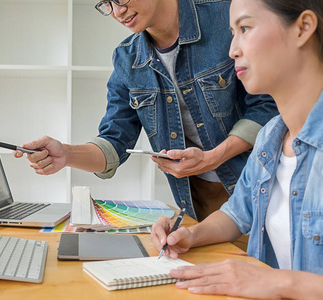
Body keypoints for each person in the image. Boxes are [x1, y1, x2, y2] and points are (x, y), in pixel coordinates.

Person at [16, 0, 278, 224]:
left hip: (266, 182)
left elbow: (268, 105)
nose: (117, 12)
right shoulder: (127, 58)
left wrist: (214, 157)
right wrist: (66, 154)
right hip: (201, 198)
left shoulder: (226, 17)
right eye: (106, 3)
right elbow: (114, 141)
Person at [150, 0, 323, 298]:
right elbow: (236, 213)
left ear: (303, 28)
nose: (232, 50)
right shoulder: (271, 136)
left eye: (245, 28)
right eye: (233, 32)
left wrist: (278, 282)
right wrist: (190, 235)